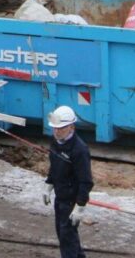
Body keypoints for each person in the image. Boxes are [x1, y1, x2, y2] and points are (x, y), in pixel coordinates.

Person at [44, 106, 93, 258]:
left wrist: (80, 207)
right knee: (64, 234)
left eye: (61, 129)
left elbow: (86, 181)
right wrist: (49, 185)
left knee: (67, 238)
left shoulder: (79, 150)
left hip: (71, 201)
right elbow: (54, 166)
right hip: (60, 197)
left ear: (71, 127)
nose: (57, 132)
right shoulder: (56, 142)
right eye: (54, 129)